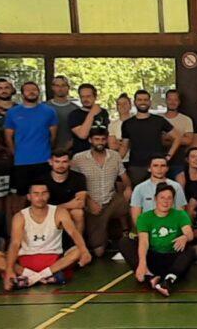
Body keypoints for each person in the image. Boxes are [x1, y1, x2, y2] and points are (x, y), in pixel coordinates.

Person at [3, 181, 92, 290]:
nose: (40, 197)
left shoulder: (59, 212)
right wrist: (9, 270)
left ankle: (33, 278)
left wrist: (84, 251)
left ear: (48, 195)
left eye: (44, 193)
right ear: (29, 197)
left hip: (53, 262)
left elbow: (73, 232)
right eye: (36, 194)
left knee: (79, 250)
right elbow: (15, 244)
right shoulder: (20, 216)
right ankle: (41, 277)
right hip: (26, 261)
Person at [71, 129, 131, 257]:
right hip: (92, 205)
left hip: (112, 200)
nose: (100, 142)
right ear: (90, 140)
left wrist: (128, 187)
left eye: (103, 139)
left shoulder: (115, 156)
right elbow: (73, 183)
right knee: (99, 252)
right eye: (97, 139)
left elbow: (124, 176)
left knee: (136, 202)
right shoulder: (78, 158)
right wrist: (88, 201)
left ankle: (130, 235)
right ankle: (102, 238)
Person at [126, 183, 194, 296]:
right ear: (155, 199)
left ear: (173, 200)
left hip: (173, 258)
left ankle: (168, 281)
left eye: (169, 198)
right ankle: (149, 276)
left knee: (190, 250)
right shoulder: (144, 217)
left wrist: (185, 237)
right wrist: (142, 263)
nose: (165, 201)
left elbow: (190, 233)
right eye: (162, 197)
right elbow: (144, 242)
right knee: (125, 242)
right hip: (153, 258)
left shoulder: (180, 214)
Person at [4, 81, 58, 213]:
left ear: (39, 92)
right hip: (21, 163)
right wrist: (16, 154)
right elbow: (8, 137)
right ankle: (19, 225)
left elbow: (53, 136)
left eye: (34, 89)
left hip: (43, 161)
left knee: (45, 196)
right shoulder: (12, 113)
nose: (31, 92)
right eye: (28, 90)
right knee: (21, 198)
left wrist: (47, 151)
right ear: (22, 93)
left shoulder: (49, 111)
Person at [119, 89, 181, 184]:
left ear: (150, 102)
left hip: (157, 165)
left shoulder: (159, 120)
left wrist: (168, 156)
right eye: (139, 100)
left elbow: (177, 137)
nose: (143, 102)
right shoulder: (127, 124)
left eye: (145, 100)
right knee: (138, 191)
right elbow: (124, 146)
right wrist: (115, 161)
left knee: (159, 191)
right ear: (135, 102)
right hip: (136, 166)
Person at [43, 151, 88, 233]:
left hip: (68, 211)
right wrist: (68, 205)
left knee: (78, 213)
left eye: (64, 162)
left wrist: (58, 207)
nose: (61, 165)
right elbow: (41, 205)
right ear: (50, 162)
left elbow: (80, 203)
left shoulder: (79, 177)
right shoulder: (41, 180)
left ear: (70, 162)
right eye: (57, 162)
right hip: (47, 212)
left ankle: (77, 240)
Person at [161, 89, 195, 181]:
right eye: (170, 99)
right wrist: (179, 139)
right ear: (166, 100)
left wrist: (168, 138)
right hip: (160, 159)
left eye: (175, 100)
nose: (172, 102)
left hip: (179, 160)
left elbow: (188, 140)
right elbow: (156, 139)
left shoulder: (186, 120)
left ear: (179, 102)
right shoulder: (158, 119)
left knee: (180, 185)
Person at [68, 83, 110, 156]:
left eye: (88, 96)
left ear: (95, 96)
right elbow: (82, 135)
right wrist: (92, 113)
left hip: (101, 154)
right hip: (81, 155)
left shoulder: (103, 112)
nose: (85, 99)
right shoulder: (74, 114)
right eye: (82, 97)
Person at [45, 75, 77, 153]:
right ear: (52, 87)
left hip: (69, 152)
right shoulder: (44, 108)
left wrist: (65, 148)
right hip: (46, 151)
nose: (60, 88)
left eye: (63, 85)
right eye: (57, 85)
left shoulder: (75, 109)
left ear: (68, 88)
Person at [107, 93, 133, 166]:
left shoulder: (137, 122)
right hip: (120, 161)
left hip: (135, 161)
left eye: (125, 103)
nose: (122, 106)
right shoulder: (112, 125)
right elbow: (112, 146)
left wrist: (120, 142)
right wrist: (128, 143)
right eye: (119, 104)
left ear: (130, 106)